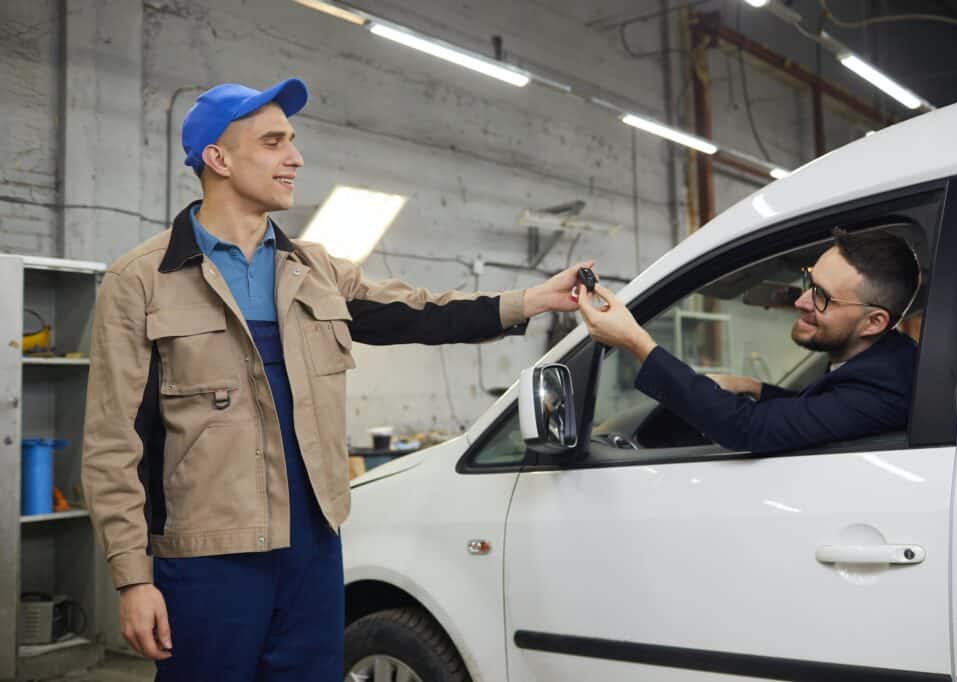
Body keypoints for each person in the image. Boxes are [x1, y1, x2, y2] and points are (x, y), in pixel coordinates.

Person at [81, 77, 591, 680]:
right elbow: (114, 443)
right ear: (217, 158)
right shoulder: (141, 280)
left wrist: (530, 300)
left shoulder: (316, 269)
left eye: (293, 141)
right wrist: (133, 577)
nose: (295, 157)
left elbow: (421, 312)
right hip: (208, 559)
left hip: (313, 554)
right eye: (274, 142)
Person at [579, 228, 921, 454]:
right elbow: (819, 408)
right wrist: (754, 387)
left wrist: (636, 341)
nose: (801, 302)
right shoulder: (882, 363)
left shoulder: (887, 385)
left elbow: (749, 429)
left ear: (874, 322)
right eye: (809, 283)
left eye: (822, 297)